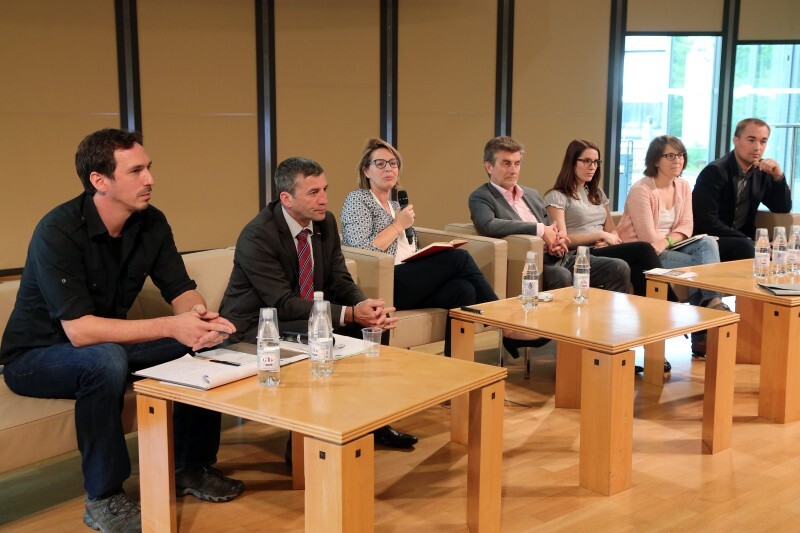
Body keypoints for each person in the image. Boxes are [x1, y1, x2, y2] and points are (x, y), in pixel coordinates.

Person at [0, 129, 243, 533]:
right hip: (35, 358)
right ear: (101, 181)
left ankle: (191, 468)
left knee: (204, 345)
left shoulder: (151, 224)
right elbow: (79, 332)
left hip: (103, 347)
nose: (150, 178)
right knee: (104, 357)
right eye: (136, 170)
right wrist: (171, 325)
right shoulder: (57, 231)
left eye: (149, 167)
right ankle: (104, 496)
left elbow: (179, 289)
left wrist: (201, 320)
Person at [218, 156, 417, 450]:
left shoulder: (325, 223)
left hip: (303, 314)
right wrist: (348, 314)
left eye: (325, 189)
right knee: (324, 332)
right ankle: (303, 446)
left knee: (372, 327)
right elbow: (282, 303)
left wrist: (364, 307)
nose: (324, 199)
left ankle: (372, 422)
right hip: (259, 325)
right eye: (313, 193)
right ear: (286, 198)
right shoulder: (258, 235)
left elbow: (339, 278)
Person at [340, 138, 546, 358]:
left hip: (409, 275)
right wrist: (398, 224)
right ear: (366, 170)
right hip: (386, 281)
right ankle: (505, 324)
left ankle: (455, 363)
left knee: (462, 290)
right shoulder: (358, 199)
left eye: (393, 163)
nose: (389, 168)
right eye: (380, 164)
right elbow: (360, 248)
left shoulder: (395, 204)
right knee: (459, 258)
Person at [469, 136, 631, 296]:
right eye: (506, 163)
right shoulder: (482, 196)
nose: (513, 170)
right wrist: (539, 229)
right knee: (561, 275)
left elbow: (550, 226)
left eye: (517, 163)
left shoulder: (531, 194)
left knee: (618, 267)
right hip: (530, 263)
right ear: (489, 167)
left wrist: (558, 240)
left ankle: (603, 319)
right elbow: (488, 225)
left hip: (561, 258)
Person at [617, 135, 728, 356]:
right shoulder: (642, 190)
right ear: (656, 160)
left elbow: (687, 226)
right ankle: (703, 330)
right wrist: (661, 243)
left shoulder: (683, 186)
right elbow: (648, 238)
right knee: (702, 267)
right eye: (670, 156)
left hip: (668, 246)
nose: (677, 160)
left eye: (680, 155)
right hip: (643, 252)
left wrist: (667, 240)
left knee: (706, 242)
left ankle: (712, 301)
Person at [544, 139, 667, 297]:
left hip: (602, 249)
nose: (593, 167)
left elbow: (612, 229)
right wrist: (600, 235)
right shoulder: (557, 196)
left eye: (596, 162)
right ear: (572, 162)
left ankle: (650, 311)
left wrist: (610, 238)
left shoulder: (597, 193)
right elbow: (563, 239)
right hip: (578, 254)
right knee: (643, 249)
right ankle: (670, 303)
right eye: (587, 161)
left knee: (637, 267)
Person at [693, 118, 792, 261]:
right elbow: (706, 221)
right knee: (748, 247)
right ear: (736, 140)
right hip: (712, 239)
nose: (758, 147)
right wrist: (750, 241)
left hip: (745, 239)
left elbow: (782, 207)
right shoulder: (715, 171)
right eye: (751, 140)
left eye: (763, 141)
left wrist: (778, 176)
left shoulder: (762, 171)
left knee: (783, 247)